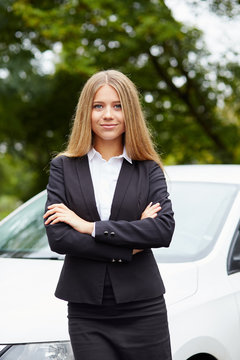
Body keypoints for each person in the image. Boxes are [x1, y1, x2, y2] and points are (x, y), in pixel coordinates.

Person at [43, 69, 175, 360]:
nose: (108, 115)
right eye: (98, 106)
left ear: (130, 113)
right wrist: (131, 244)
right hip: (87, 311)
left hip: (143, 307)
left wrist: (89, 227)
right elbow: (59, 238)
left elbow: (162, 231)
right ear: (86, 113)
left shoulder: (148, 168)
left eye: (117, 106)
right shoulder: (63, 167)